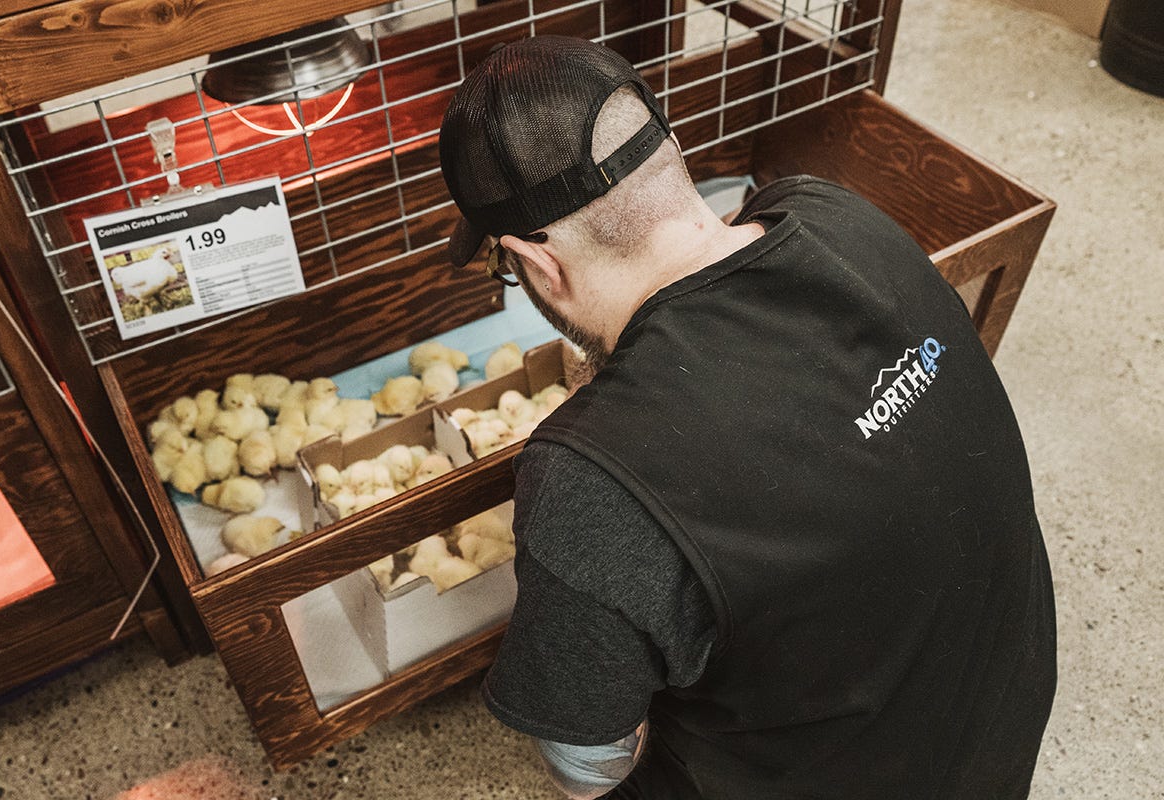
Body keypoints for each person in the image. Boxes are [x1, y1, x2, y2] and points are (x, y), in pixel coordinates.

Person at [438, 35, 1057, 800]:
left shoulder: (589, 475)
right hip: (1000, 730)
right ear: (672, 155)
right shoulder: (837, 216)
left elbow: (586, 767)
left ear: (536, 265)